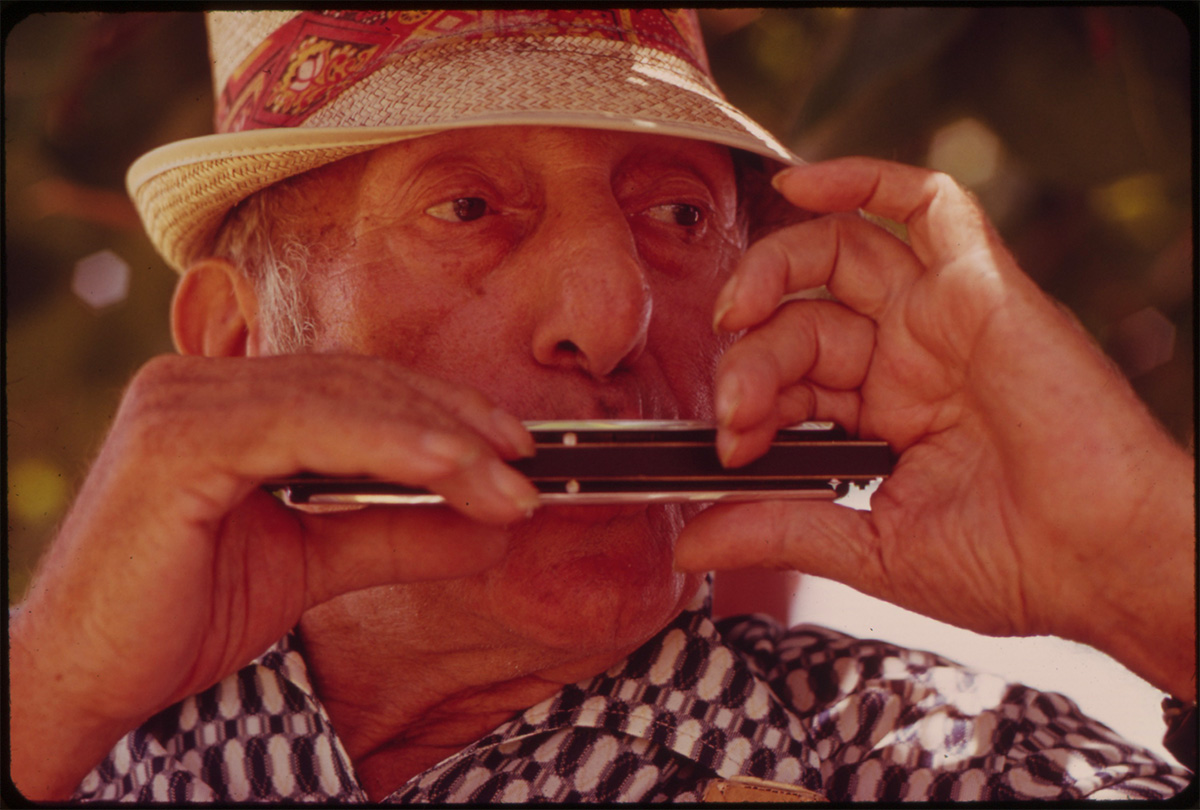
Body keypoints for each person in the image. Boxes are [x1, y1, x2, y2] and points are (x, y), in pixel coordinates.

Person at [8, 9, 1195, 803]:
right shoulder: (65, 731)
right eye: (467, 208)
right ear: (237, 345)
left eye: (678, 216)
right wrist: (50, 695)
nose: (614, 311)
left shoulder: (939, 765)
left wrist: (1153, 576)